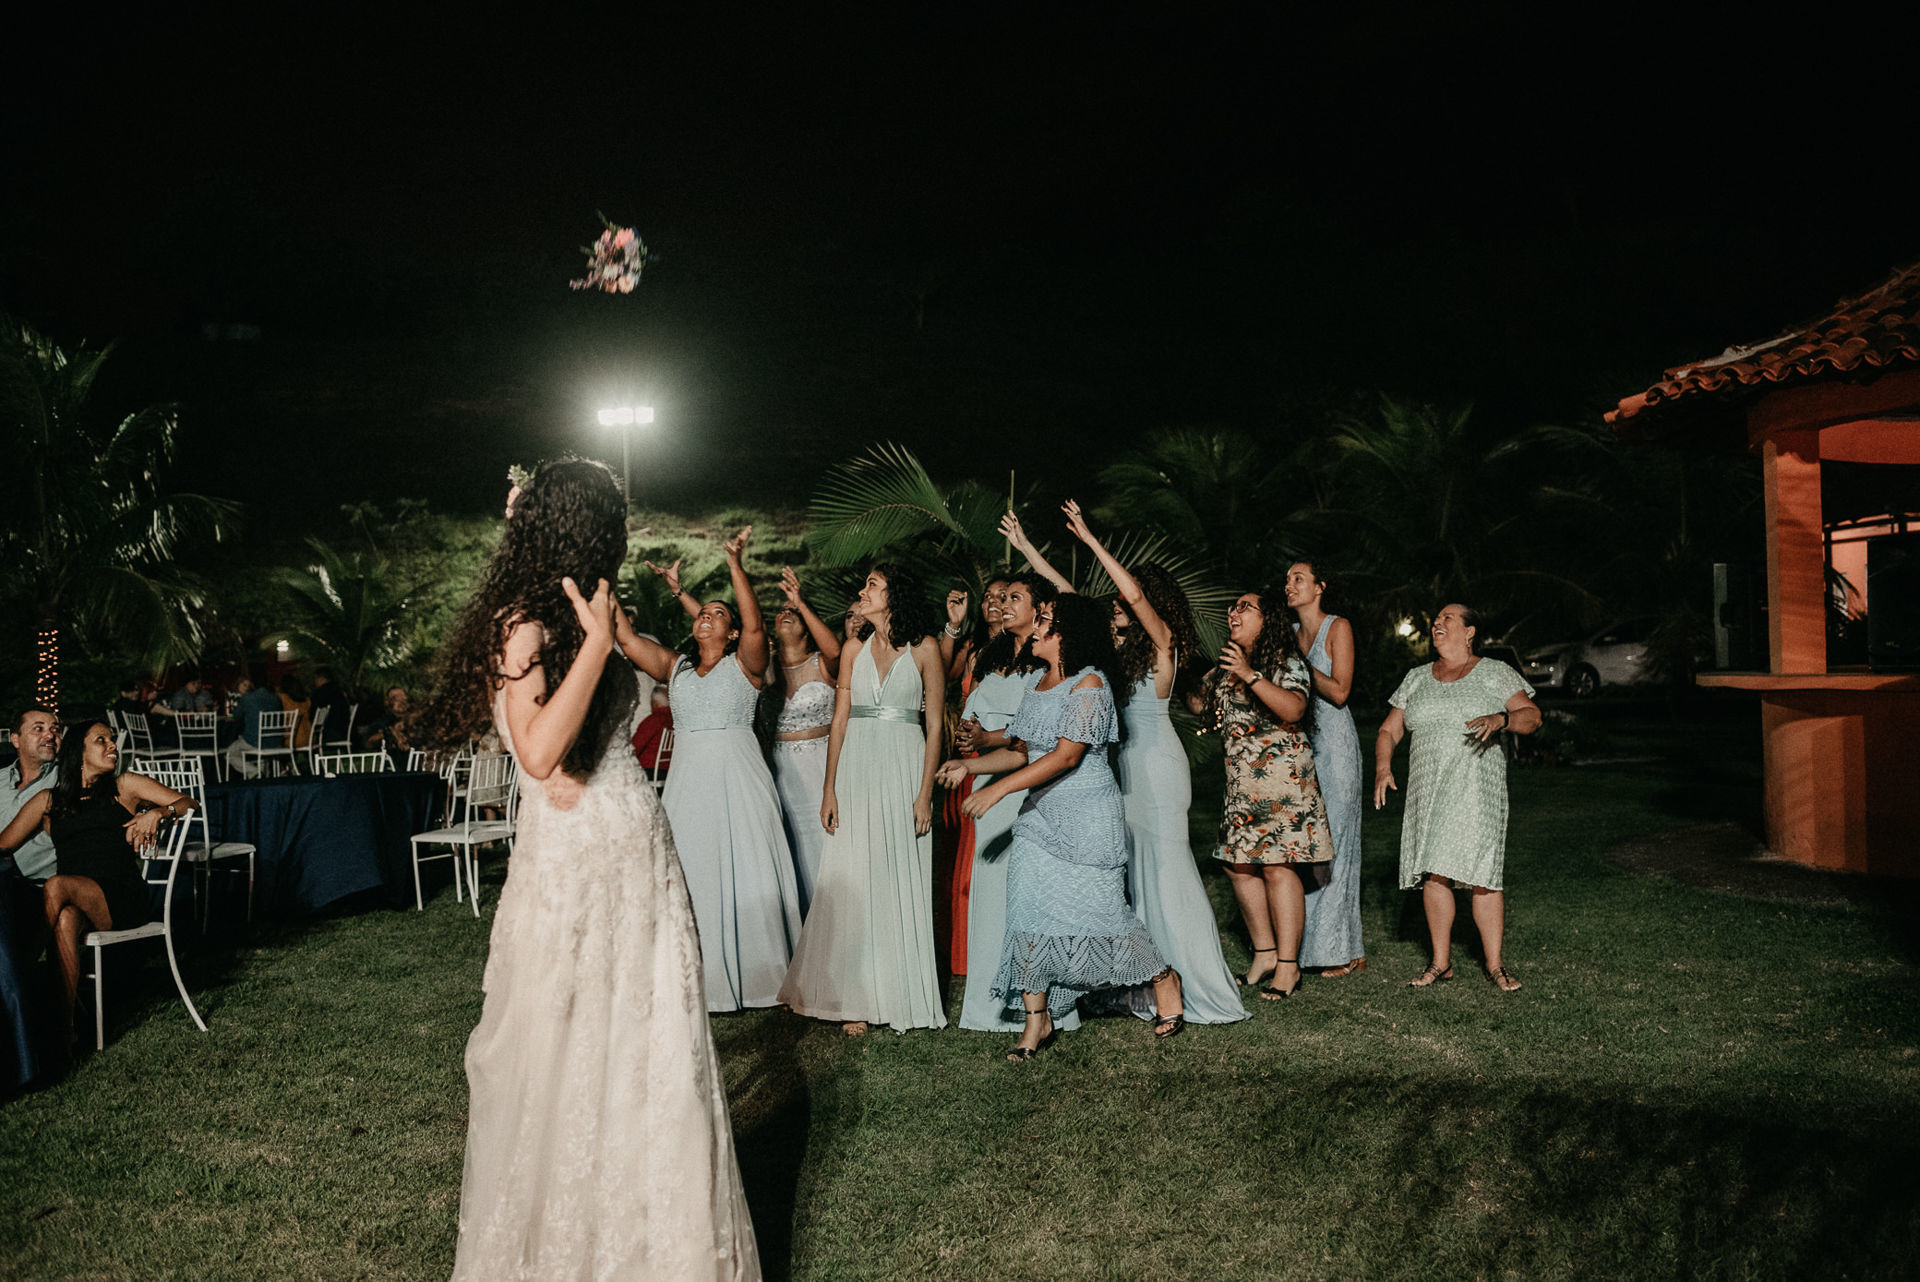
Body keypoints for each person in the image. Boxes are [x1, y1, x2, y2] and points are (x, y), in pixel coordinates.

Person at [417, 457, 759, 1279]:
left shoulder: (592, 610)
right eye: (613, 517)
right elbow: (537, 754)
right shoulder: (526, 625)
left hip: (635, 849)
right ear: (581, 527)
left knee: (650, 1045)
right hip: (571, 860)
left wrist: (606, 630)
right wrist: (598, 642)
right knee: (565, 1043)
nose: (624, 531)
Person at [949, 593, 1183, 1059]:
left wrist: (998, 791)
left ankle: (1163, 978)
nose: (1036, 627)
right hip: (1039, 819)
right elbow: (1022, 750)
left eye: (1046, 622)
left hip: (1087, 818)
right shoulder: (1036, 681)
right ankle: (1038, 1022)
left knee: (1104, 913)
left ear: (1066, 635)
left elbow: (1066, 755)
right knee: (1026, 912)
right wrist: (968, 767)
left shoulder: (1090, 684)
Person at [1062, 500, 1248, 1025]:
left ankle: (1198, 981)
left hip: (1158, 768)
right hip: (1123, 769)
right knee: (1134, 878)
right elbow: (1073, 604)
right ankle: (1145, 981)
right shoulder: (1122, 655)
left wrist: (1091, 540)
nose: (1118, 604)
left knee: (1168, 874)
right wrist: (1031, 549)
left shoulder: (1165, 646)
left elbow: (1135, 594)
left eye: (1125, 599)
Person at [778, 561, 947, 1035]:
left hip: (903, 763)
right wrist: (830, 787)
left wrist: (924, 792)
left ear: (896, 594)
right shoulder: (853, 648)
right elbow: (839, 721)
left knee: (895, 871)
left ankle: (895, 990)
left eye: (872, 585)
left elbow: (934, 724)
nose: (863, 590)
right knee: (854, 870)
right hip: (857, 766)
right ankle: (852, 993)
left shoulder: (927, 648)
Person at [646, 528, 804, 1014]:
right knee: (693, 866)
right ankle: (691, 975)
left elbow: (753, 627)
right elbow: (627, 640)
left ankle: (759, 974)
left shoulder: (748, 664)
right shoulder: (676, 669)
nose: (706, 618)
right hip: (688, 782)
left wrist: (735, 562)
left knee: (745, 864)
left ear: (730, 632)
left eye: (718, 615)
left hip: (738, 776)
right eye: (703, 613)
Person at [1374, 603, 1540, 993]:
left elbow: (1532, 716)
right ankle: (1440, 962)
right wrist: (1384, 766)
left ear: (1470, 632)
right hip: (1427, 788)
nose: (1438, 623)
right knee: (1435, 869)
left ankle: (1495, 965)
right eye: (1436, 620)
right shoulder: (1416, 678)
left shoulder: (1494, 672)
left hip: (1475, 786)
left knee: (1482, 873)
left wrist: (1502, 719)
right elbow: (1388, 731)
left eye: (1448, 619)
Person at [1, 720, 195, 1049]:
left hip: (121, 897)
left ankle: (19, 977)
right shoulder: (49, 800)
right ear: (78, 752)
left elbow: (190, 803)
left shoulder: (125, 786)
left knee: (55, 886)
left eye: (112, 740)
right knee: (65, 919)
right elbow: (3, 844)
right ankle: (66, 1032)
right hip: (78, 899)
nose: (112, 746)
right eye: (101, 740)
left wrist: (158, 813)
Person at [1196, 585, 1332, 1001]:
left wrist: (1249, 675)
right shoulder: (1226, 666)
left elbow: (1293, 709)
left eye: (1245, 607)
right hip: (1241, 786)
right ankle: (1265, 953)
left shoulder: (1285, 661)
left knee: (1278, 867)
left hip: (1283, 784)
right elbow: (1205, 710)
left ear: (1267, 618)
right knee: (1238, 866)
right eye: (1232, 607)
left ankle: (1288, 966)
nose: (1234, 613)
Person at [1288, 560, 1366, 978]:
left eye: (1297, 578)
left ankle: (1337, 948)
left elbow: (1340, 691)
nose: (1289, 585)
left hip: (1335, 745)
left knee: (1338, 844)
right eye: (1287, 579)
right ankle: (1304, 945)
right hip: (1300, 747)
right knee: (1307, 845)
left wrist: (1299, 660)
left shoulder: (1338, 628)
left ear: (1319, 586)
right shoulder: (1288, 633)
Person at [940, 575, 1008, 978]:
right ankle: (965, 954)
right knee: (963, 856)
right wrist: (954, 624)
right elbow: (943, 672)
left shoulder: (1026, 651)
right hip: (966, 757)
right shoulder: (972, 648)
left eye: (1005, 597)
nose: (994, 603)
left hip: (1000, 755)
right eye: (989, 598)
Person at [766, 566, 842, 912]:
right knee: (788, 841)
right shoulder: (763, 667)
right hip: (780, 766)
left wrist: (800, 601)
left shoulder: (822, 662)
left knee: (826, 840)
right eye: (781, 610)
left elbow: (837, 653)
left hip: (821, 763)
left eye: (793, 613)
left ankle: (832, 920)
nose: (786, 613)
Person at [3, 709, 61, 887]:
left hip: (36, 889)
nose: (50, 736)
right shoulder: (1, 778)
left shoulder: (68, 780)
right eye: (39, 729)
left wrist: (145, 811)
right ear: (15, 740)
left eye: (55, 730)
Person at [226, 676, 287, 779]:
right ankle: (263, 775)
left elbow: (235, 715)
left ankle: (254, 772)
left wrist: (229, 715)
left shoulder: (247, 698)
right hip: (275, 742)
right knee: (255, 743)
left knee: (229, 753)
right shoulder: (276, 698)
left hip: (255, 741)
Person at [310, 667, 354, 746]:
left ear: (321, 679)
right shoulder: (339, 691)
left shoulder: (320, 693)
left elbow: (313, 714)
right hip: (345, 730)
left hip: (330, 732)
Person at [278, 673, 314, 749]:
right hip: (310, 738)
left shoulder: (283, 698)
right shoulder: (306, 701)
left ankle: (287, 760)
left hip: (293, 739)